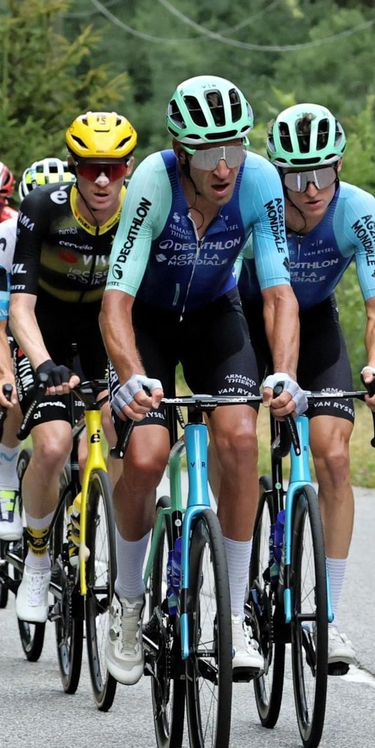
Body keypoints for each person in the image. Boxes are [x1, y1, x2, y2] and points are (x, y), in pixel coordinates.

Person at [99, 76, 301, 685]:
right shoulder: (152, 185)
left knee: (240, 439)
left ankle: (234, 612)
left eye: (233, 151)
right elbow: (114, 302)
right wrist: (132, 379)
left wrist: (286, 370)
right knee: (145, 454)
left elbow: (278, 293)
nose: (223, 168)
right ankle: (128, 603)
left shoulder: (260, 181)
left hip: (216, 317)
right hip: (150, 324)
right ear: (182, 152)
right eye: (208, 155)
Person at [241, 104, 375, 667]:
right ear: (277, 173)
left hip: (318, 322)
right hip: (248, 317)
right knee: (233, 433)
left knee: (333, 455)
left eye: (323, 174)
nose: (310, 190)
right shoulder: (258, 202)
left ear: (340, 166)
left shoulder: (357, 209)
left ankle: (327, 617)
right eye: (296, 177)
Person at [6, 113, 136, 622]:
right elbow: (19, 307)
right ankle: (37, 560)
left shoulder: (139, 210)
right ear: (73, 168)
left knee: (121, 432)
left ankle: (104, 531)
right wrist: (41, 364)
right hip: (48, 333)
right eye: (89, 169)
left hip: (107, 332)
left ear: (127, 168)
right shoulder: (42, 207)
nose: (102, 180)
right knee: (55, 444)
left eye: (113, 169)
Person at [0, 160, 78, 545]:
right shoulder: (4, 237)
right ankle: (5, 477)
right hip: (25, 333)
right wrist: (3, 374)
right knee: (16, 393)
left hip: (77, 337)